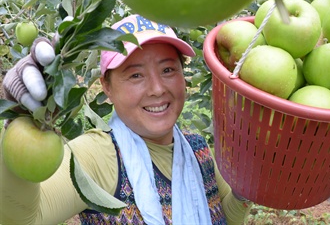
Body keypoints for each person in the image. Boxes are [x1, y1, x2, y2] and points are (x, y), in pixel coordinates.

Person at [0, 15, 252, 224]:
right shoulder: (99, 156)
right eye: (135, 75)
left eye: (167, 70)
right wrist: (19, 125)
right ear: (107, 87)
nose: (156, 88)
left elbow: (223, 217)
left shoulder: (199, 150)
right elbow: (25, 218)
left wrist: (242, 192)